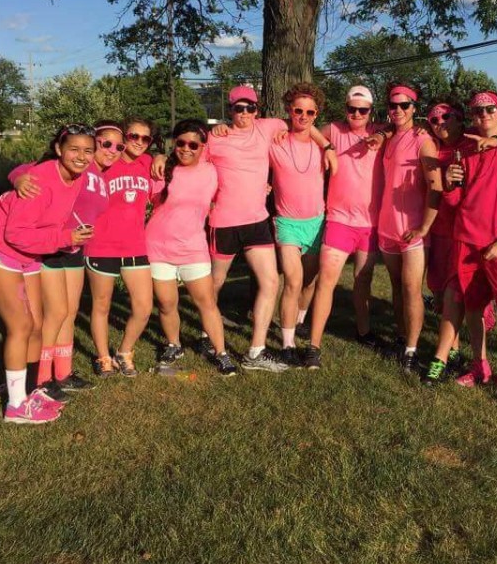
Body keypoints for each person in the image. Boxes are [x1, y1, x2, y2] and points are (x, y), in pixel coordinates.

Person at [196, 85, 335, 372]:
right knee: (215, 283)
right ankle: (203, 334)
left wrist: (327, 145)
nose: (245, 112)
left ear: (257, 110)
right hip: (223, 221)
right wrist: (163, 159)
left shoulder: (269, 127)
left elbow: (306, 126)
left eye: (250, 107)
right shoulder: (215, 137)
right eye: (238, 107)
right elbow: (190, 160)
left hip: (258, 220)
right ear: (230, 109)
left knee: (271, 282)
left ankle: (256, 352)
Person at [0, 124, 95, 423]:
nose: (81, 156)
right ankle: (15, 407)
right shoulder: (39, 180)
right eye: (74, 149)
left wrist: (66, 236)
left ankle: (30, 392)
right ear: (58, 150)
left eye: (87, 151)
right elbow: (16, 234)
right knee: (21, 325)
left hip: (29, 255)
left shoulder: (76, 177)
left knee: (38, 326)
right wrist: (65, 239)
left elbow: (48, 220)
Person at [423, 91, 497, 405]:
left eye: (489, 110)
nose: (483, 115)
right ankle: (479, 365)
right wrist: (449, 183)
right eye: (477, 111)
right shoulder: (466, 151)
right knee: (472, 306)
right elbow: (456, 202)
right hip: (466, 238)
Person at [9, 123, 124, 395]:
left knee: (69, 314)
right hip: (51, 245)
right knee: (56, 313)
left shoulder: (97, 175)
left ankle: (63, 373)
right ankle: (41, 378)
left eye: (118, 146)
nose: (111, 150)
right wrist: (17, 178)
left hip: (75, 248)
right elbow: (25, 170)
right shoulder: (71, 166)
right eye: (105, 144)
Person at [147, 119, 237, 376]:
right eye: (181, 143)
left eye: (193, 145)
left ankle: (221, 352)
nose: (186, 149)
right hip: (158, 248)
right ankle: (174, 344)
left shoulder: (212, 171)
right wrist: (158, 155)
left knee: (207, 302)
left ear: (202, 147)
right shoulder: (161, 170)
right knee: (166, 303)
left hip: (193, 249)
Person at [307, 85, 384, 368]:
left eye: (362, 110)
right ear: (345, 108)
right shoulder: (335, 130)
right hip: (339, 219)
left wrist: (382, 133)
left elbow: (404, 129)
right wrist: (326, 145)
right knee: (327, 280)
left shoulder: (380, 133)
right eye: (351, 109)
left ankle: (363, 331)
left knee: (363, 280)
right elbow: (308, 130)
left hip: (370, 223)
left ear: (370, 112)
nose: (356, 114)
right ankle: (313, 345)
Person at [377, 82, 443, 373]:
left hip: (412, 229)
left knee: (411, 289)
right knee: (396, 287)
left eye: (405, 105)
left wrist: (425, 226)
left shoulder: (423, 140)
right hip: (387, 226)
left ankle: (412, 351)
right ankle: (403, 338)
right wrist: (383, 131)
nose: (398, 110)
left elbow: (436, 186)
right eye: (394, 105)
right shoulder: (388, 136)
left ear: (414, 108)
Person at [84, 117, 157, 378]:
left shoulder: (147, 163)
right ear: (123, 138)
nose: (138, 142)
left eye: (145, 138)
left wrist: (160, 156)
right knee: (101, 306)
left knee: (143, 307)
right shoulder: (103, 164)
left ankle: (125, 351)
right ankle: (103, 357)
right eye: (133, 136)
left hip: (135, 245)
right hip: (101, 245)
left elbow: (165, 161)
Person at [268, 83, 327, 368]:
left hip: (316, 222)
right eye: (298, 110)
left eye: (309, 112)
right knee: (292, 280)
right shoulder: (276, 140)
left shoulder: (322, 144)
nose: (303, 116)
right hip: (287, 222)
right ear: (289, 111)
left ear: (316, 115)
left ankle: (300, 320)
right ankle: (288, 343)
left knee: (310, 281)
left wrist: (327, 146)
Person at [424, 101, 478, 373]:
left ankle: (446, 355)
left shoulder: (474, 144)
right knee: (439, 291)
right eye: (434, 119)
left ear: (459, 119)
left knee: (455, 295)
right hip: (438, 229)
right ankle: (454, 349)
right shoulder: (431, 147)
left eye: (447, 117)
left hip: (465, 231)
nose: (441, 122)